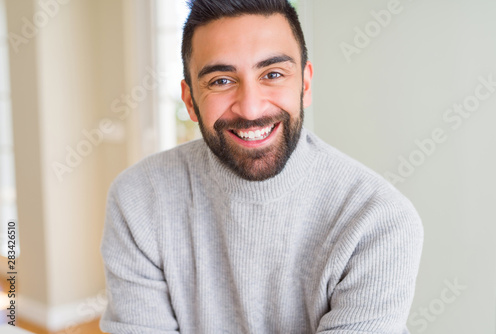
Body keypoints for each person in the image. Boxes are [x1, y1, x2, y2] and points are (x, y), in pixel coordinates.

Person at [100, 0, 424, 333]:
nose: (251, 108)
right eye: (221, 81)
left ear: (305, 84)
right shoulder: (137, 201)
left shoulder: (378, 221)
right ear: (190, 101)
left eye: (272, 74)